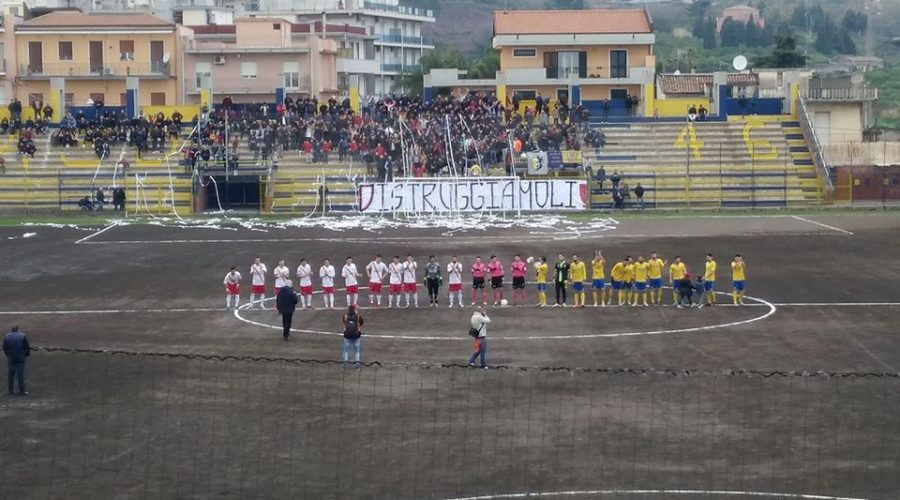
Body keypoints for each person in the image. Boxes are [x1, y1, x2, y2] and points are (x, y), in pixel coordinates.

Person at [4, 325, 29, 395]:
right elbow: (26, 346)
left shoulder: (7, 336)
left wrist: (8, 355)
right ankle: (22, 390)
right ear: (18, 329)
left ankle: (11, 390)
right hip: (20, 357)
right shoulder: (22, 336)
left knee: (11, 374)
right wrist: (26, 355)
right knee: (20, 374)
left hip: (11, 357)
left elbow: (5, 347)